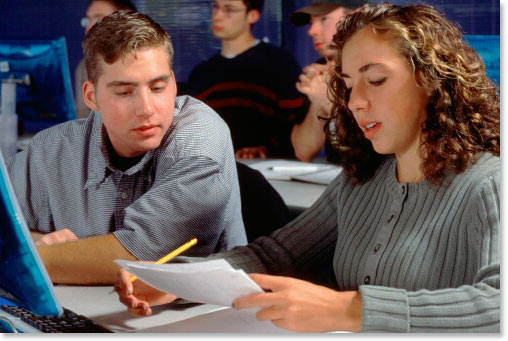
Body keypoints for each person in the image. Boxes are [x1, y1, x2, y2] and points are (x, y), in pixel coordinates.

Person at [115, 2, 500, 333]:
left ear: (431, 80)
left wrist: (349, 310)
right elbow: (275, 257)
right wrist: (180, 280)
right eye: (348, 85)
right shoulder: (360, 181)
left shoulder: (490, 183)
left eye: (376, 80)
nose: (356, 102)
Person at [8, 10, 246, 285]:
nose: (146, 109)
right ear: (91, 96)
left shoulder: (201, 135)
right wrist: (36, 242)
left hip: (195, 321)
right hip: (82, 317)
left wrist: (27, 255)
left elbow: (141, 256)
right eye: (124, 92)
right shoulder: (49, 150)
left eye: (158, 87)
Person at [186, 0, 306, 159]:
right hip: (212, 172)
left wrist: (266, 149)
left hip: (270, 171)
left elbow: (296, 126)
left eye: (229, 9)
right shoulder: (201, 74)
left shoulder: (280, 64)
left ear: (252, 16)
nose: (217, 15)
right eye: (215, 7)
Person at [290, 0, 367, 162]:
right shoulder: (321, 71)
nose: (312, 31)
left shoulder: (378, 69)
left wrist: (330, 104)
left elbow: (376, 155)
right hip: (340, 181)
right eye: (311, 22)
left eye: (323, 19)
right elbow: (303, 151)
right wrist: (318, 101)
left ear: (355, 17)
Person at [74, 0, 137, 119]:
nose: (89, 27)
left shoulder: (147, 61)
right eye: (88, 20)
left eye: (97, 20)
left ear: (125, 23)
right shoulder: (84, 67)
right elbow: (82, 120)